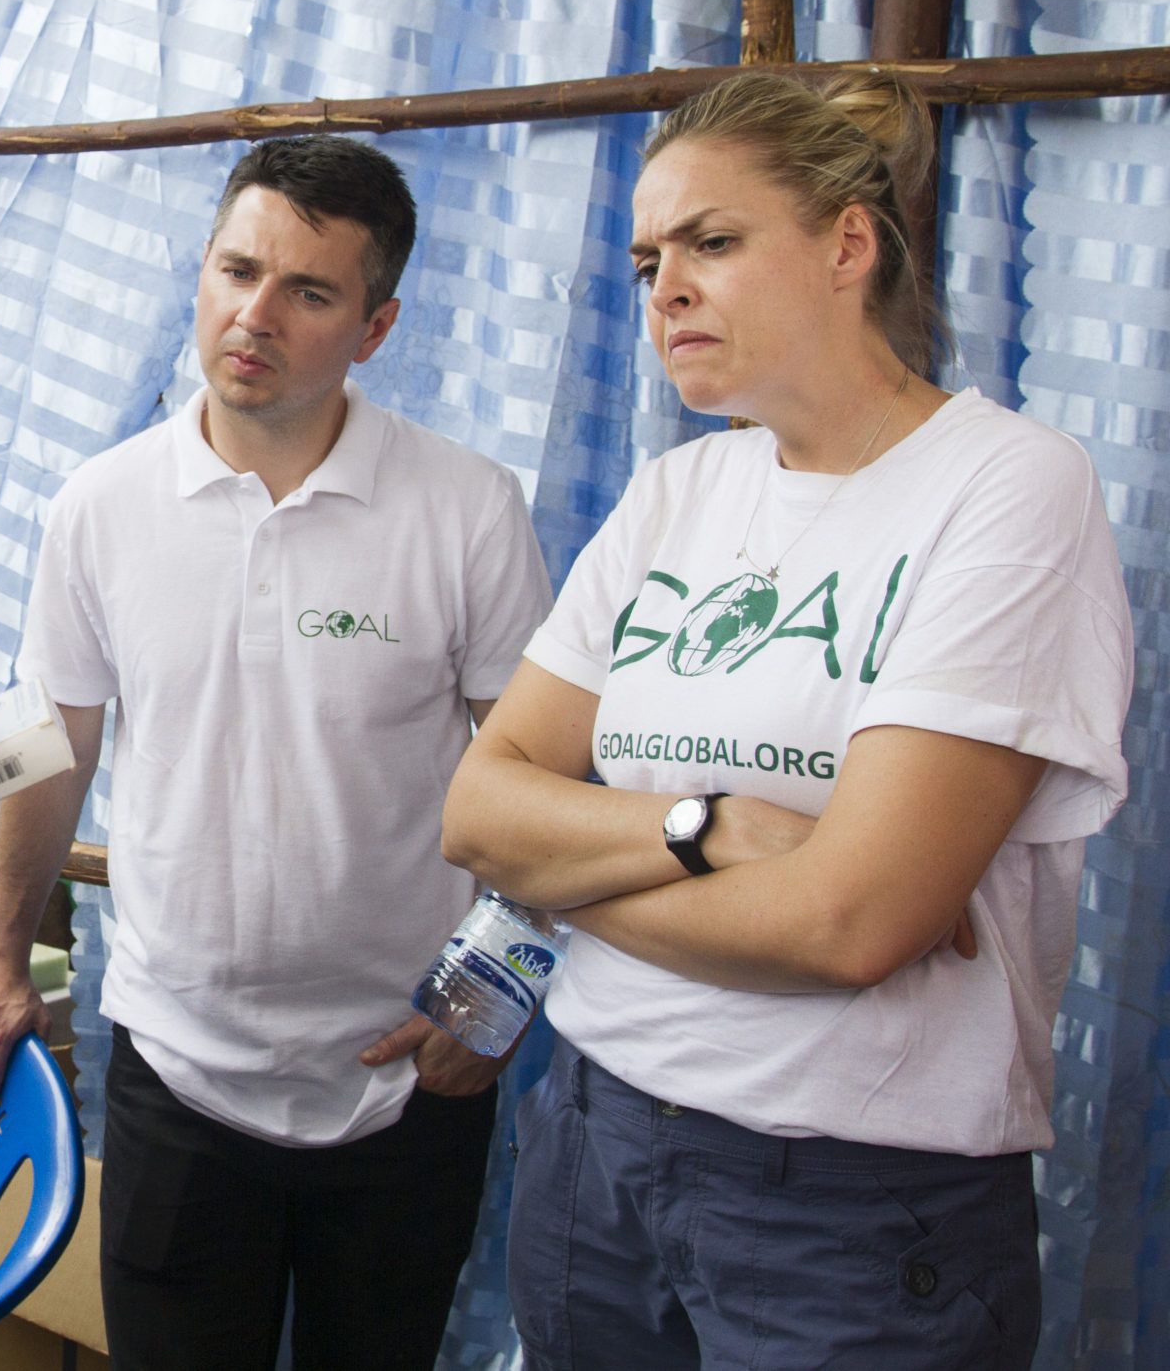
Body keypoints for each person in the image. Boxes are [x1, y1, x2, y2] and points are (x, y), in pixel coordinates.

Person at [441, 72, 1134, 1371]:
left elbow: (848, 922)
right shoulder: (675, 494)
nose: (667, 290)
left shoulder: (1006, 489)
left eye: (712, 240)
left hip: (852, 1197)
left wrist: (570, 867)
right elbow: (480, 809)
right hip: (593, 1135)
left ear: (847, 246)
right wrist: (710, 826)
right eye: (649, 259)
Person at [0, 136, 555, 1370]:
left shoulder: (465, 507)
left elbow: (543, 778)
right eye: (235, 270)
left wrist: (492, 1003)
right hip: (179, 1067)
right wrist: (2, 959)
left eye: (308, 292)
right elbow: (48, 744)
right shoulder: (99, 505)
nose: (252, 316)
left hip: (402, 1076)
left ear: (374, 328)